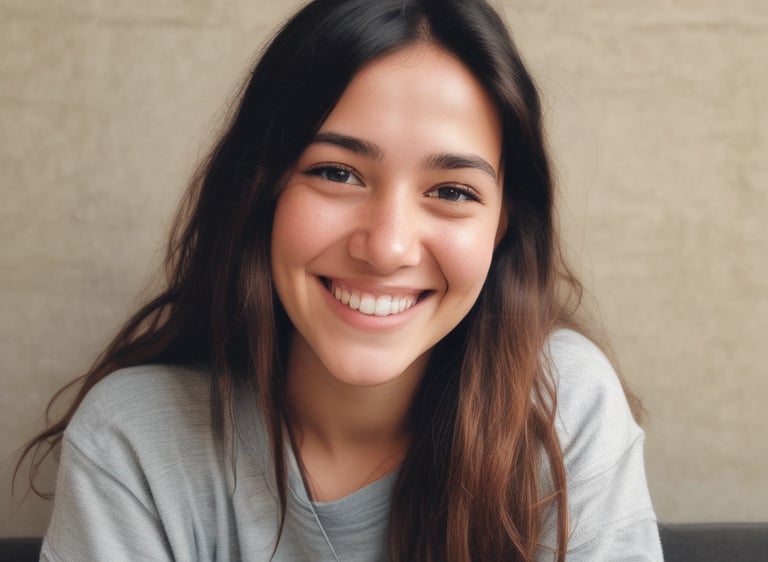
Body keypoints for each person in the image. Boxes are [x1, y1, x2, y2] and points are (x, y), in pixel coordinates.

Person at [19, 0, 663, 560]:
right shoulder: (137, 441)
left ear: (500, 227)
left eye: (452, 191)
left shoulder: (560, 407)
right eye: (337, 173)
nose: (386, 247)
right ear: (261, 191)